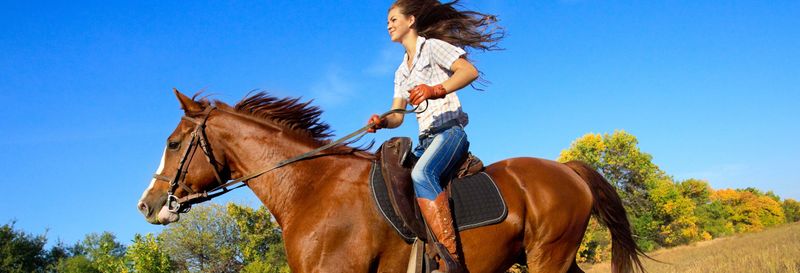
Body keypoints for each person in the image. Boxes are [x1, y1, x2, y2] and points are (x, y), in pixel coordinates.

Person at [367, 0, 503, 271]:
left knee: (421, 175)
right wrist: (382, 121)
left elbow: (469, 72)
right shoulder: (400, 72)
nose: (389, 25)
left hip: (449, 133)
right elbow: (397, 114)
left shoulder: (432, 47)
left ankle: (449, 258)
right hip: (425, 140)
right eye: (387, 22)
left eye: (394, 19)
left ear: (411, 20)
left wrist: (435, 89)